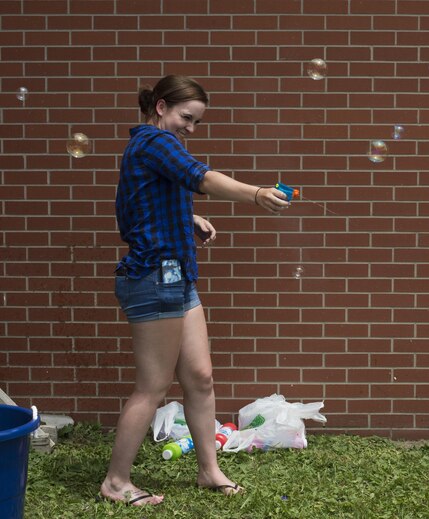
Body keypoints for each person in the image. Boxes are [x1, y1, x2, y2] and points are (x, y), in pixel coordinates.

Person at [101, 75, 291, 506]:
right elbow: (200, 177)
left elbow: (140, 203)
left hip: (177, 276)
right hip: (154, 276)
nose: (190, 128)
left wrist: (189, 218)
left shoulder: (152, 147)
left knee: (201, 379)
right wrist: (256, 193)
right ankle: (116, 482)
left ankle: (209, 470)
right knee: (152, 386)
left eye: (197, 123)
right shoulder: (153, 140)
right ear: (162, 106)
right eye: (187, 117)